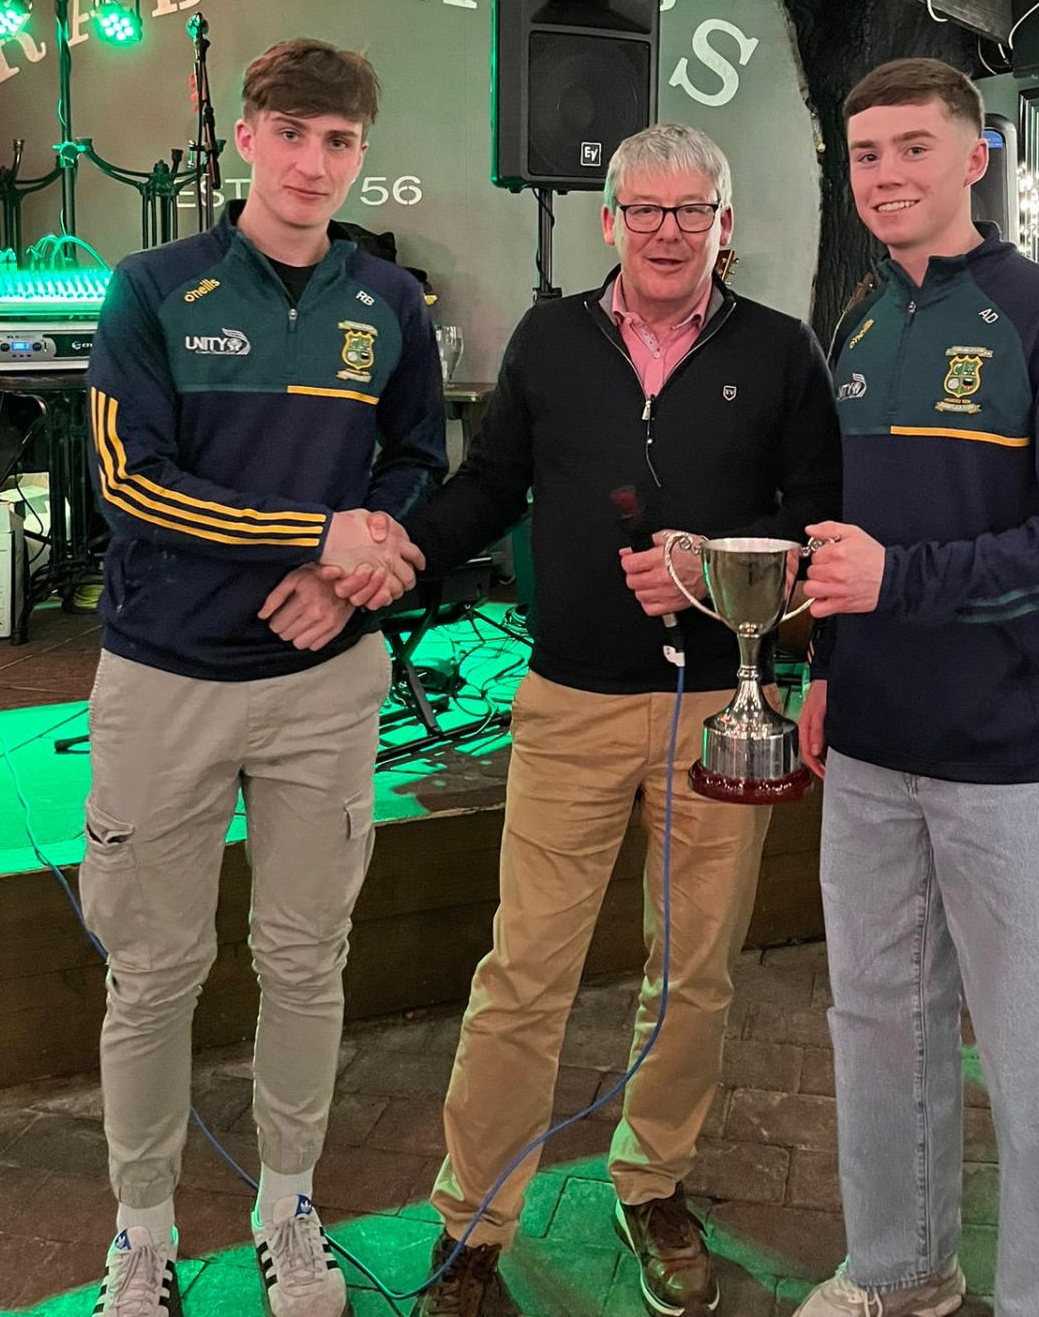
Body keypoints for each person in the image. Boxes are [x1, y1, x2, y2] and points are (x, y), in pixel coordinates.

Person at [336, 124, 839, 1316]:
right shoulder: (550, 340)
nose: (667, 231)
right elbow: (487, 486)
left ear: (725, 224)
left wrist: (711, 568)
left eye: (691, 210)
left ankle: (653, 1180)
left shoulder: (780, 352)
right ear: (609, 221)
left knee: (696, 975)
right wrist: (401, 549)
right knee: (524, 975)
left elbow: (821, 523)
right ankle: (473, 1222)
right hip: (568, 703)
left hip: (719, 710)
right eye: (644, 209)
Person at [82, 39, 445, 1317]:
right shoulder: (152, 288)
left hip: (323, 682)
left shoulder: (387, 302)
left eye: (337, 142)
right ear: (246, 138)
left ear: (361, 155)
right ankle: (142, 1234)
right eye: (290, 134)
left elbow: (414, 466)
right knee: (153, 972)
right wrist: (314, 537)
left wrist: (346, 577)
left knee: (305, 960)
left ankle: (289, 1209)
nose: (311, 163)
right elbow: (129, 485)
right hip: (166, 680)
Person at [795, 59, 1039, 1317]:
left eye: (913, 149)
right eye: (866, 154)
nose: (886, 175)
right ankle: (900, 1271)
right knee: (880, 1034)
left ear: (976, 157)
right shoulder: (858, 323)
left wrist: (903, 581)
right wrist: (828, 667)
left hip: (1015, 761)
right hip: (871, 751)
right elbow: (842, 537)